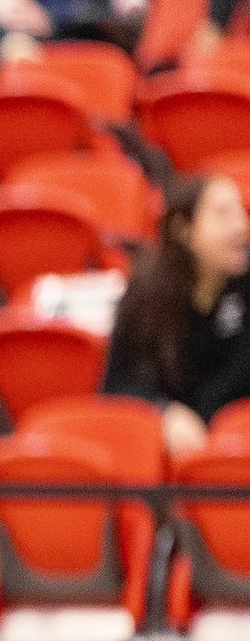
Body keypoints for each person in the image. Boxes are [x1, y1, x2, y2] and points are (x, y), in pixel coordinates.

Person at [104, 174, 250, 456]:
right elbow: (117, 386)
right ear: (183, 229)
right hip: (165, 449)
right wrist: (163, 412)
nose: (241, 227)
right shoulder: (147, 295)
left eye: (242, 212)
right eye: (223, 214)